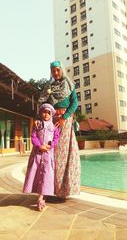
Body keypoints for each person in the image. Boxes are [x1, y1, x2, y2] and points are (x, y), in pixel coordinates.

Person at [38, 60, 80, 198]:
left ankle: (65, 189)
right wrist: (40, 119)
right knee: (52, 153)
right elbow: (42, 103)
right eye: (53, 70)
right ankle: (51, 188)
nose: (55, 73)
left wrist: (65, 117)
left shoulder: (69, 83)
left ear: (62, 70)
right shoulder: (48, 86)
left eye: (57, 70)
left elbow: (75, 103)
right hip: (52, 122)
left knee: (64, 154)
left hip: (65, 121)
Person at [23, 103, 60, 211]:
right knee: (37, 174)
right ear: (40, 113)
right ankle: (41, 195)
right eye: (44, 112)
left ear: (52, 114)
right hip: (38, 155)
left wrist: (50, 145)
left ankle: (41, 198)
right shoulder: (37, 124)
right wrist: (39, 146)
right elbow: (33, 136)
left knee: (46, 175)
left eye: (49, 113)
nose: (46, 114)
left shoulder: (54, 126)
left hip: (48, 155)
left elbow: (56, 138)